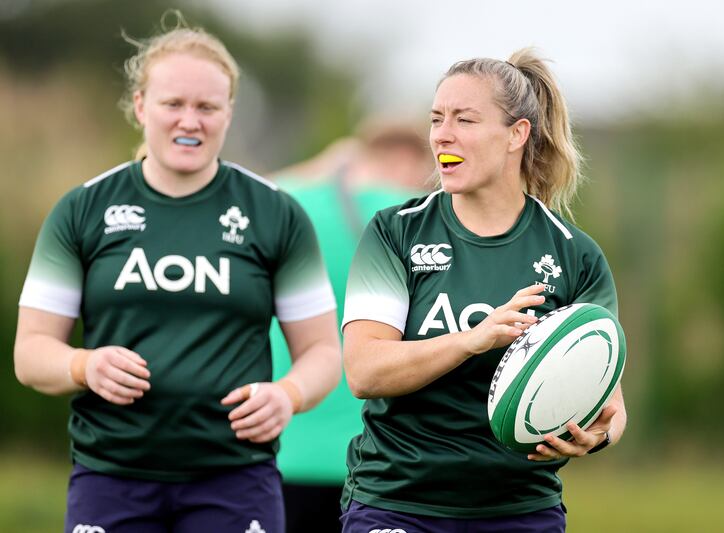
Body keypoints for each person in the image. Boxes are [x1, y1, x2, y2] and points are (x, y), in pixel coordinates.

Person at [13, 13, 340, 533]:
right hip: (111, 478)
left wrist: (288, 395)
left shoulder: (276, 213)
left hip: (236, 478)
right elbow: (30, 354)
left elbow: (324, 352)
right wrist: (83, 365)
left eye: (207, 106)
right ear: (142, 106)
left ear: (228, 113)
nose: (191, 121)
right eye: (174, 104)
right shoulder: (83, 209)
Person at [339, 48, 627, 532]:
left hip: (520, 509)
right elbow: (364, 371)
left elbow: (611, 404)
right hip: (397, 502)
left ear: (517, 134)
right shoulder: (397, 232)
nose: (442, 135)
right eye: (436, 119)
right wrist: (472, 339)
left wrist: (596, 436)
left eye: (465, 120)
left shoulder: (574, 254)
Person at [267, 119, 433, 532]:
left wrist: (325, 164)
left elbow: (230, 189)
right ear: (409, 161)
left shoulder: (293, 205)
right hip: (386, 467)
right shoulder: (421, 218)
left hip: (285, 451)